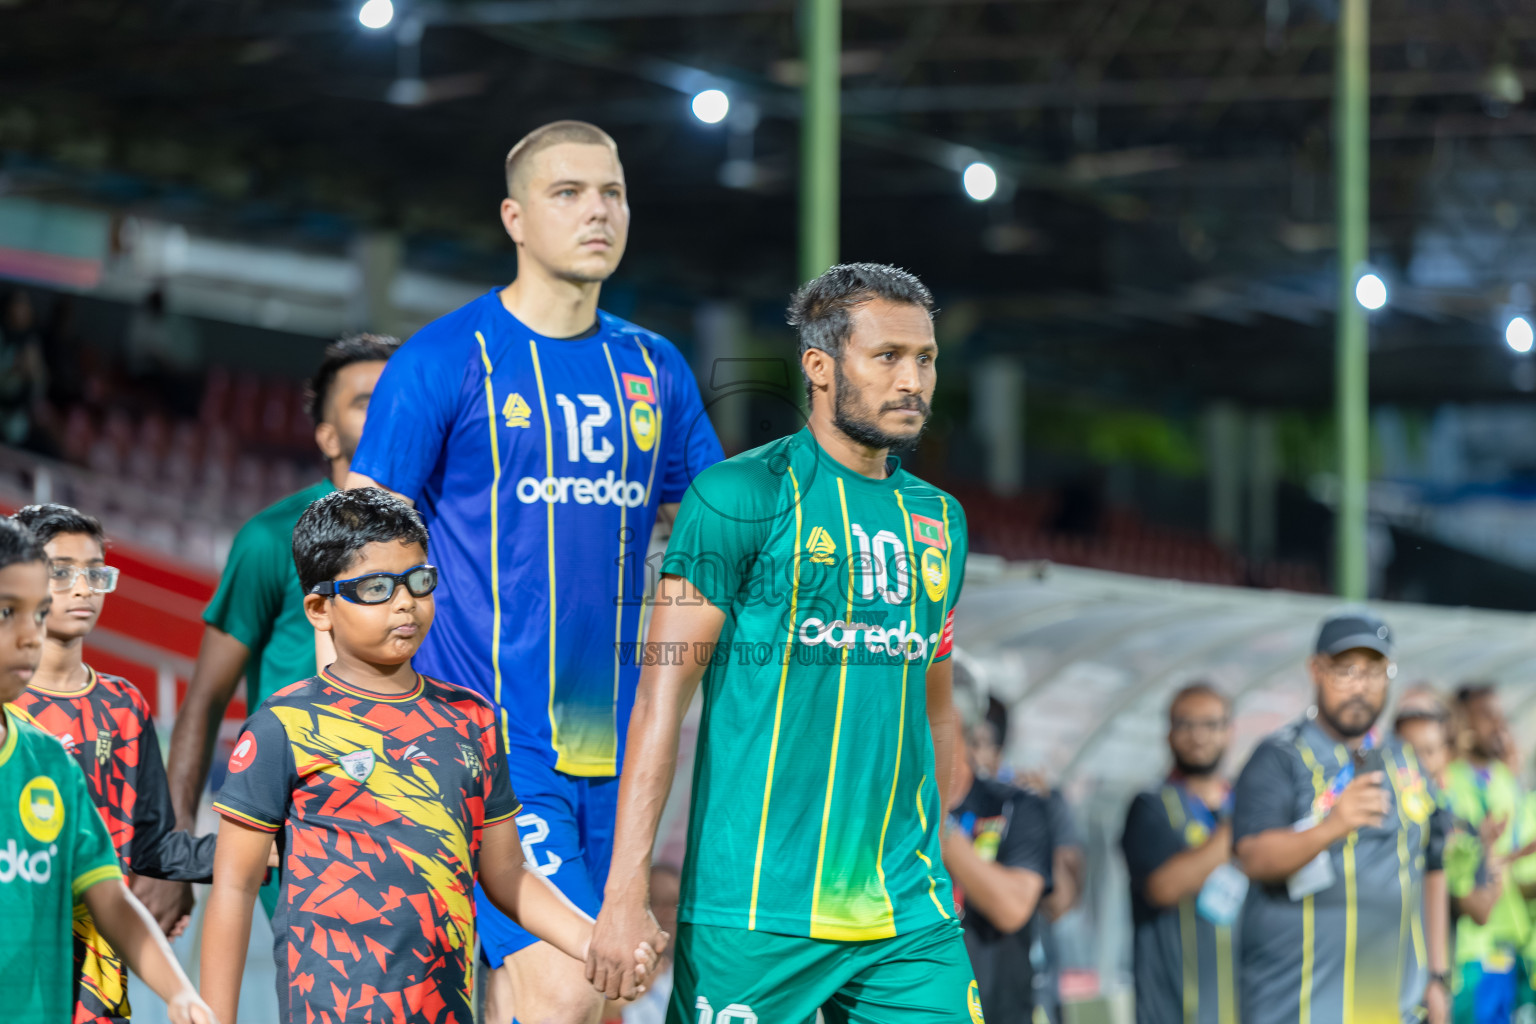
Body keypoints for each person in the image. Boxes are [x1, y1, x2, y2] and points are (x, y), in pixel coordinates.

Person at [345, 120, 722, 1024]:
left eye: (613, 192)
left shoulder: (654, 368)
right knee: (566, 986)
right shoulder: (442, 359)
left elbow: (716, 522)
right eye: (569, 193)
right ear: (514, 217)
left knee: (602, 999)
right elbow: (351, 534)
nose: (598, 210)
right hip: (496, 751)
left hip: (624, 754)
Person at [587, 263, 978, 1021]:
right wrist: (626, 894)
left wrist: (932, 819)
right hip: (757, 908)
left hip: (907, 915)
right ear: (820, 366)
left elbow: (936, 704)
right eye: (888, 357)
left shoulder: (942, 520)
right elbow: (659, 705)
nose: (914, 381)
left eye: (925, 358)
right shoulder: (735, 498)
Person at [198, 488, 654, 1024]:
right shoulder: (285, 726)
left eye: (418, 581)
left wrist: (593, 939)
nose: (404, 602)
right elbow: (234, 886)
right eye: (375, 587)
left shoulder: (472, 718)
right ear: (320, 609)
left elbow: (506, 874)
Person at [158, 332, 399, 926]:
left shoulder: (448, 540)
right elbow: (203, 703)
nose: (388, 411)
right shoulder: (271, 539)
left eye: (399, 397)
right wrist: (172, 851)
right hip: (303, 836)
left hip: (419, 823)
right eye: (366, 401)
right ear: (326, 435)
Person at [0, 517, 216, 1024]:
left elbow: (138, 857)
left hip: (92, 977)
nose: (81, 589)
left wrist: (243, 851)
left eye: (95, 574)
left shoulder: (82, 735)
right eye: (61, 573)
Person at [1232, 609, 1450, 1024]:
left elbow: (1433, 864)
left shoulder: (1405, 761)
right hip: (1297, 1009)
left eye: (1374, 672)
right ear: (1316, 670)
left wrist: (1437, 975)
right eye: (1345, 670)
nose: (1360, 687)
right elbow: (1252, 857)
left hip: (1393, 1010)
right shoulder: (1279, 758)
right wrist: (1332, 827)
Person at [1121, 683, 1243, 1024]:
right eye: (1185, 724)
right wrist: (1238, 831)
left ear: (1230, 731)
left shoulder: (1244, 803)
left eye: (1210, 724)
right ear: (1169, 734)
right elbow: (1163, 887)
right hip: (1173, 1010)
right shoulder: (1151, 806)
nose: (1198, 736)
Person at [945, 708, 1052, 1023]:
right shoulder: (886, 813)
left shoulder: (1016, 805)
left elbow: (1012, 908)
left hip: (999, 1008)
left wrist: (938, 825)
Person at [1440, 684, 1536, 1024]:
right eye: (1486, 715)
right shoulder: (1447, 782)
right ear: (1461, 723)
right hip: (1466, 947)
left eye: (1500, 716)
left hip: (1509, 940)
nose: (1498, 725)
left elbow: (1523, 867)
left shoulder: (1507, 782)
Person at [622, 865, 681, 1024]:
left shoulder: (692, 976)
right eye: (655, 902)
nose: (667, 913)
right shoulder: (612, 965)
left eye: (675, 904)